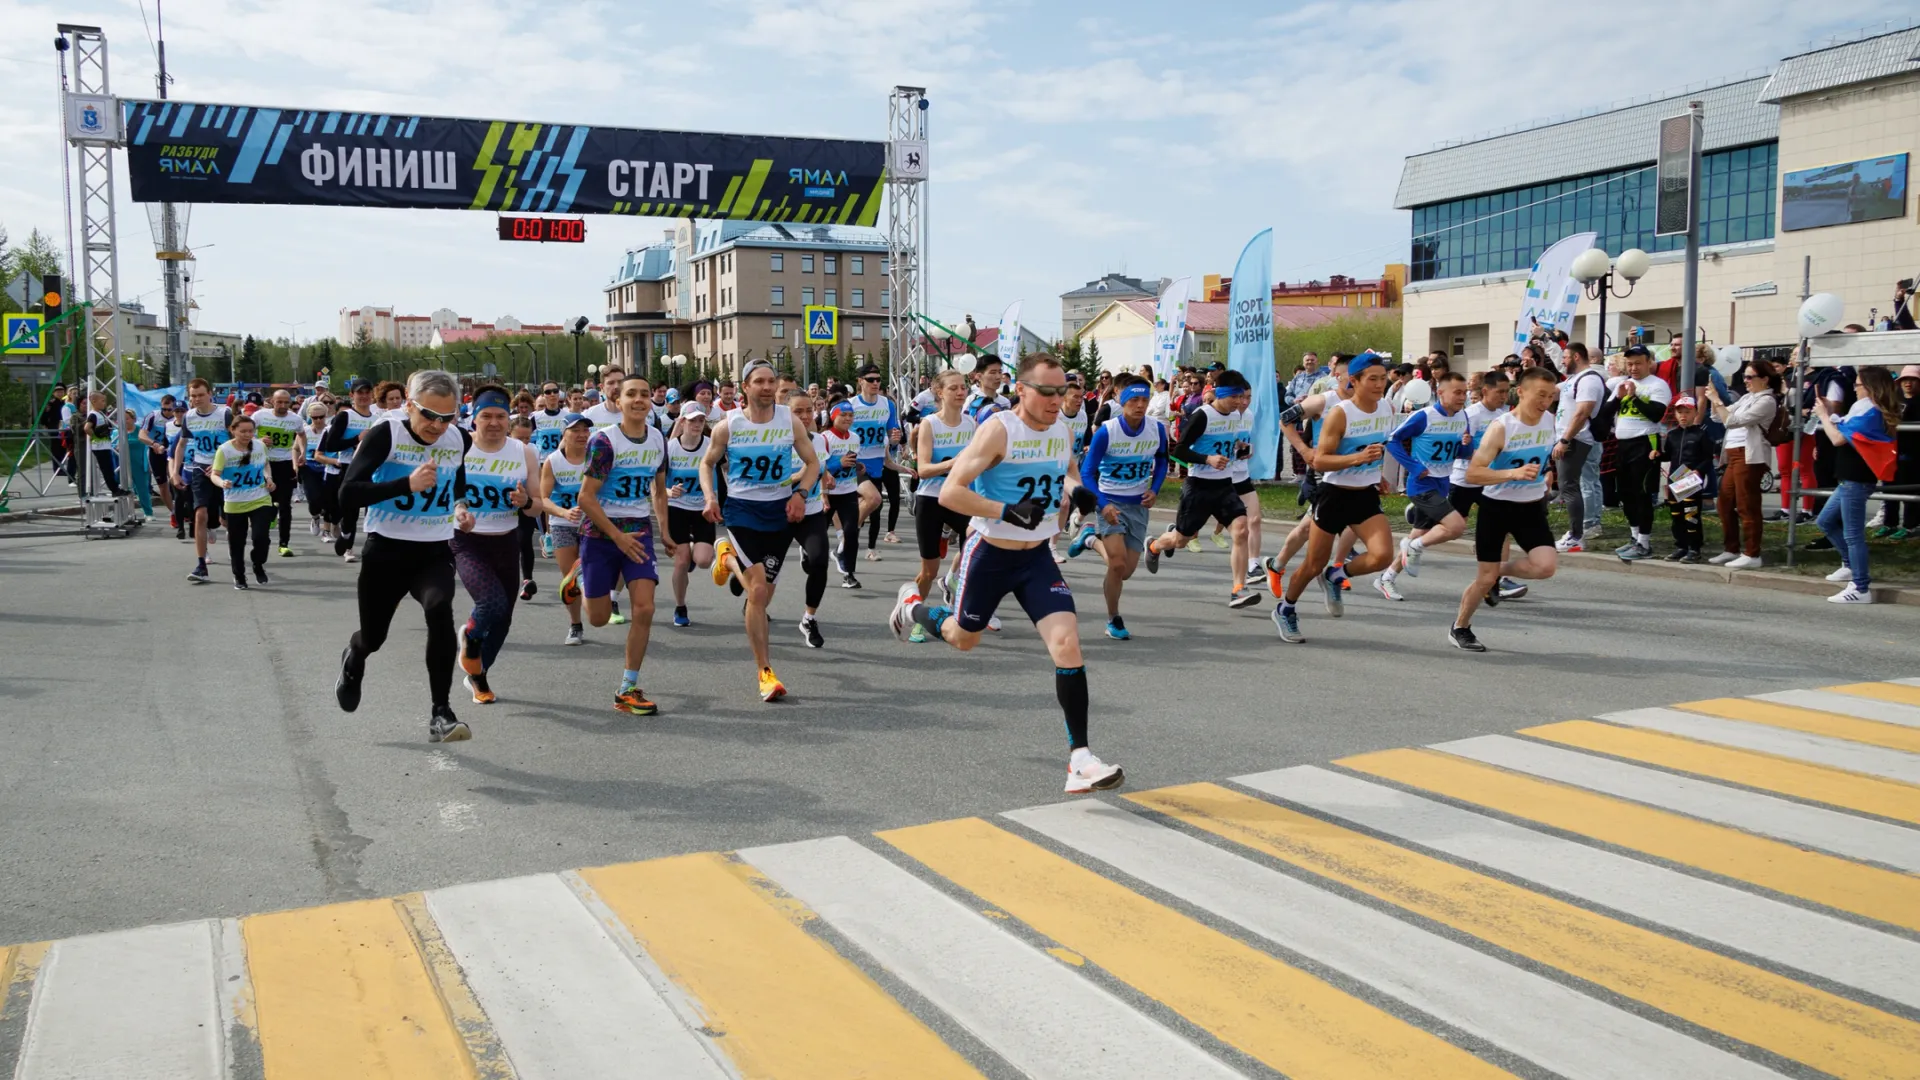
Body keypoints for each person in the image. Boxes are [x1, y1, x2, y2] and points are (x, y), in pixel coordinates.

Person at [888, 352, 1124, 795]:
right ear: (1022, 390)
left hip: (1036, 558)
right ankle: (914, 606)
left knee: (1067, 644)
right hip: (990, 552)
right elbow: (952, 493)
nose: (1058, 400)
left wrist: (1080, 492)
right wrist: (1006, 511)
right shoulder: (998, 430)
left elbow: (1067, 471)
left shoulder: (1061, 428)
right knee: (964, 638)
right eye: (1048, 392)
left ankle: (1080, 758)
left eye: (1064, 391)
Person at [334, 369, 473, 743]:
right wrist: (405, 484)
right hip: (386, 548)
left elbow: (456, 477)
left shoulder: (459, 438)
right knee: (374, 637)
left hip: (433, 548)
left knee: (439, 608)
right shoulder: (387, 434)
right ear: (410, 406)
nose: (437, 426)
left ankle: (440, 713)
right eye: (429, 415)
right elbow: (348, 494)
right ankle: (355, 656)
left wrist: (460, 505)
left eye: (447, 417)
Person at [700, 359, 821, 702]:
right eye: (759, 382)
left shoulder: (790, 420)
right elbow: (707, 463)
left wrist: (800, 494)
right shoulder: (728, 426)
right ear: (745, 388)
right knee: (755, 592)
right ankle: (765, 671)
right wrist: (710, 497)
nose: (767, 387)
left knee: (764, 593)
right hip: (742, 510)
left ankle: (726, 560)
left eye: (771, 381)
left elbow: (812, 463)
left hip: (780, 510)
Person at [1272, 352, 1396, 644]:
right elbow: (1321, 462)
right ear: (1354, 381)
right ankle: (1286, 608)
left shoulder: (1387, 408)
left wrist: (1376, 472)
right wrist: (1357, 459)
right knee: (1312, 564)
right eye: (1373, 379)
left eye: (1383, 378)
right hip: (1334, 495)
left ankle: (1335, 575)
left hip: (1364, 494)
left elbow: (1374, 448)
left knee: (1383, 556)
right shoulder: (1340, 412)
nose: (1380, 384)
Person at [571, 373, 675, 713]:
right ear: (619, 401)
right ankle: (580, 579)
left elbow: (659, 490)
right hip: (601, 534)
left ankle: (628, 688)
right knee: (598, 618)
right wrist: (616, 536)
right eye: (632, 394)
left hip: (639, 531)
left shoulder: (658, 438)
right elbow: (585, 498)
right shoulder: (605, 441)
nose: (640, 399)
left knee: (644, 607)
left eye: (645, 393)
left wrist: (665, 531)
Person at [1447, 367, 1561, 651]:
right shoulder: (1502, 427)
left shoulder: (1549, 420)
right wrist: (1512, 474)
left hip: (1531, 506)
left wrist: (1547, 472)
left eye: (1550, 396)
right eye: (1540, 395)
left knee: (1546, 566)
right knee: (1483, 579)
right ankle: (1460, 627)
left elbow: (1542, 456)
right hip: (1496, 507)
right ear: (1520, 392)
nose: (1545, 401)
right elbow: (1474, 474)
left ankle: (1497, 572)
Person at [449, 387, 539, 706]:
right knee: (490, 603)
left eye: (501, 416)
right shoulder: (458, 448)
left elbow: (537, 506)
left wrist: (525, 500)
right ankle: (470, 638)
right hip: (466, 541)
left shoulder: (524, 452)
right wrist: (458, 511)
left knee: (504, 619)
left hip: (506, 540)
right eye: (486, 416)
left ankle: (477, 674)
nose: (494, 422)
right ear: (474, 418)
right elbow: (441, 492)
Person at [1144, 369, 1257, 608]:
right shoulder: (1203, 415)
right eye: (1237, 397)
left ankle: (1238, 588)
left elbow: (1228, 442)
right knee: (1181, 540)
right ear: (1222, 393)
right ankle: (1154, 545)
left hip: (1225, 486)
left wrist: (1241, 446)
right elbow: (1179, 450)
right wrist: (1207, 459)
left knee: (1241, 530)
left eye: (1245, 397)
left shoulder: (1235, 416)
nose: (1241, 402)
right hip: (1199, 487)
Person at [1070, 374, 1169, 639]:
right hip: (1110, 501)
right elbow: (1087, 473)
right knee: (1116, 564)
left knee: (1125, 572)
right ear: (1121, 401)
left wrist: (1155, 490)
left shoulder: (1157, 429)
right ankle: (1113, 619)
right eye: (1134, 400)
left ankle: (1090, 539)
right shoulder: (1107, 431)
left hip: (1138, 504)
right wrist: (1102, 505)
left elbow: (1162, 461)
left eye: (1144, 400)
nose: (1140, 405)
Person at [1374, 372, 1469, 601]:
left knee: (1420, 533)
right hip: (1421, 484)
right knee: (1455, 526)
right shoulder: (1424, 416)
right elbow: (1393, 441)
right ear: (1441, 392)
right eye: (1457, 392)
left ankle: (1386, 578)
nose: (1462, 397)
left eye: (1464, 393)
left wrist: (1467, 445)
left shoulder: (1462, 416)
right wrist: (1414, 467)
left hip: (1442, 482)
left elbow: (1462, 453)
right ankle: (1413, 543)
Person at [1814, 366, 1901, 604]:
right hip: (1848, 478)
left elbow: (1838, 438)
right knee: (1824, 521)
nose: (1854, 387)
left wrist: (1823, 415)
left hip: (1857, 478)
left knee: (1853, 535)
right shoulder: (1864, 409)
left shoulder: (1871, 412)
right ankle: (1851, 566)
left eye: (1858, 384)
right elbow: (1842, 430)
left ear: (1871, 387)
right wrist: (1829, 413)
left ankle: (1861, 587)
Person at [909, 371, 977, 640]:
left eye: (964, 387)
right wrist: (954, 463)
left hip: (960, 496)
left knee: (974, 553)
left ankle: (958, 599)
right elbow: (923, 469)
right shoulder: (929, 424)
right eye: (954, 388)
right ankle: (917, 615)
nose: (961, 392)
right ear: (940, 393)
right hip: (931, 498)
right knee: (929, 569)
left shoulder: (971, 423)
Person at [1705, 362, 1779, 569]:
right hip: (1733, 455)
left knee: (1747, 504)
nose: (1745, 381)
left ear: (1764, 379)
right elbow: (1717, 416)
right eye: (1744, 377)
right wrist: (1714, 397)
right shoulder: (1747, 397)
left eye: (1750, 377)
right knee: (1725, 502)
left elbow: (1733, 421)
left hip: (1750, 456)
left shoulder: (1767, 400)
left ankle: (1752, 553)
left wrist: (1717, 400)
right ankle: (1731, 548)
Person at [1607, 345, 1671, 561]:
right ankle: (1634, 537)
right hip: (1623, 445)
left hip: (1645, 444)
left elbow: (1656, 414)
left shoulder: (1658, 385)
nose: (1633, 368)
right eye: (1630, 364)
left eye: (1638, 363)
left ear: (1649, 363)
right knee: (1625, 494)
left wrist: (1634, 398)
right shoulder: (1624, 383)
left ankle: (1644, 542)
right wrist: (1618, 397)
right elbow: (1606, 412)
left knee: (1642, 493)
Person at [658, 403, 717, 628]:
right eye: (692, 420)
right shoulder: (670, 447)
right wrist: (667, 491)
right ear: (682, 422)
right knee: (681, 561)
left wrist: (715, 499)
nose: (696, 425)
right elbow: (657, 484)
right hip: (678, 508)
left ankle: (693, 552)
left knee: (703, 561)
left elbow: (723, 471)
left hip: (702, 508)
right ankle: (680, 606)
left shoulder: (710, 446)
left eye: (701, 421)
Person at [170, 379, 233, 584]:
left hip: (224, 470)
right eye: (192, 396)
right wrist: (175, 472)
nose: (196, 399)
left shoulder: (224, 414)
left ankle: (236, 550)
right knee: (200, 514)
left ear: (210, 394)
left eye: (200, 395)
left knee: (228, 517)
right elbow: (181, 444)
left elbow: (238, 439)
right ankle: (201, 564)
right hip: (199, 468)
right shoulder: (189, 416)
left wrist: (221, 462)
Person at [788, 390, 837, 648]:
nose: (806, 416)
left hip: (812, 510)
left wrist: (825, 490)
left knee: (820, 562)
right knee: (764, 575)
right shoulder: (777, 440)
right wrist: (797, 476)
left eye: (809, 410)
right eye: (798, 411)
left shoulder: (819, 440)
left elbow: (822, 468)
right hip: (780, 511)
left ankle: (809, 618)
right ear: (787, 413)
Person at [539, 413, 592, 645]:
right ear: (564, 434)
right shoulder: (553, 461)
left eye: (585, 430)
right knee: (569, 579)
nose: (582, 435)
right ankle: (575, 625)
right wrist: (563, 512)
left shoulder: (596, 458)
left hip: (593, 524)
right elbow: (543, 499)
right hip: (562, 524)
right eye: (575, 430)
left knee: (591, 574)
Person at [208, 413, 275, 589]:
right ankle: (239, 576)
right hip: (235, 502)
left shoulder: (260, 446)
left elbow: (265, 465)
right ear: (233, 430)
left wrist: (268, 478)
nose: (247, 435)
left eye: (251, 431)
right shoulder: (224, 450)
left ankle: (258, 564)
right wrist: (222, 482)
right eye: (243, 431)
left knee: (261, 538)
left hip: (260, 498)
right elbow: (214, 474)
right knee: (237, 542)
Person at [1552, 342, 1606, 553]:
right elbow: (1551, 391)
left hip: (1576, 439)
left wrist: (1565, 440)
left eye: (1565, 357)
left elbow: (1582, 412)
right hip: (1568, 437)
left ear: (1575, 357)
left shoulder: (1590, 379)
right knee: (1568, 486)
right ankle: (1575, 533)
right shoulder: (1572, 379)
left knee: (1569, 486)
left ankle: (1576, 536)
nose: (1562, 361)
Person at [320, 379, 381, 563]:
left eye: (367, 392)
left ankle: (372, 548)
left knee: (374, 510)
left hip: (373, 469)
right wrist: (357, 439)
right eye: (359, 393)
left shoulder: (379, 418)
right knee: (351, 512)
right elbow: (331, 444)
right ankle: (347, 544)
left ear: (372, 395)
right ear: (352, 395)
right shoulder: (345, 416)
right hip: (350, 468)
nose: (364, 396)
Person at [847, 363, 904, 556]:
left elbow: (892, 434)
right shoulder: (851, 405)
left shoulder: (887, 404)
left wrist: (895, 441)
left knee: (875, 508)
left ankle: (869, 548)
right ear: (860, 381)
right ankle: (846, 540)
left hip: (878, 462)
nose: (875, 383)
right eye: (871, 379)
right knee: (869, 501)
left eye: (878, 379)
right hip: (856, 464)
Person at [818, 400, 873, 587]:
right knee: (818, 534)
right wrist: (838, 464)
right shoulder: (824, 438)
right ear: (833, 417)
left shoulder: (855, 437)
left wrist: (857, 466)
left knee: (851, 533)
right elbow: (819, 467)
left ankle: (848, 573)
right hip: (827, 492)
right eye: (843, 415)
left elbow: (850, 461)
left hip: (848, 491)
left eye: (851, 416)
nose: (848, 419)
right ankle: (809, 556)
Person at [249, 389, 303, 558]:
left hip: (285, 464)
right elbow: (243, 433)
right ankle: (265, 533)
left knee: (285, 505)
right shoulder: (259, 416)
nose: (283, 406)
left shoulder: (295, 419)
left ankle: (284, 544)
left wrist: (302, 451)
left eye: (286, 402)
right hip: (264, 463)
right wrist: (257, 441)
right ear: (272, 401)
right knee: (266, 503)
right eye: (279, 402)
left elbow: (301, 435)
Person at [1660, 396, 1715, 562]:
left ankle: (1694, 548)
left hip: (1691, 479)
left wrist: (1699, 471)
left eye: (1687, 412)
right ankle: (1680, 546)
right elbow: (1668, 455)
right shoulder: (1672, 435)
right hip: (1675, 479)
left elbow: (1708, 458)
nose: (1683, 416)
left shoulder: (1701, 434)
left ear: (1695, 413)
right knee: (1676, 515)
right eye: (1680, 412)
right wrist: (1657, 455)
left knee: (1690, 514)